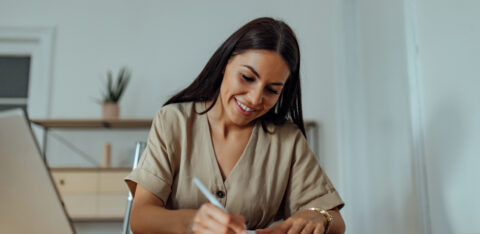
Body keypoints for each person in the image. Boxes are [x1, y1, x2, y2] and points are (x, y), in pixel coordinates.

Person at [125, 17, 345, 234]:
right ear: (225, 64)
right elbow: (141, 217)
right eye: (247, 77)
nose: (255, 99)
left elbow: (336, 221)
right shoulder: (174, 121)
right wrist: (192, 222)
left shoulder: (287, 140)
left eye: (272, 90)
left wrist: (319, 216)